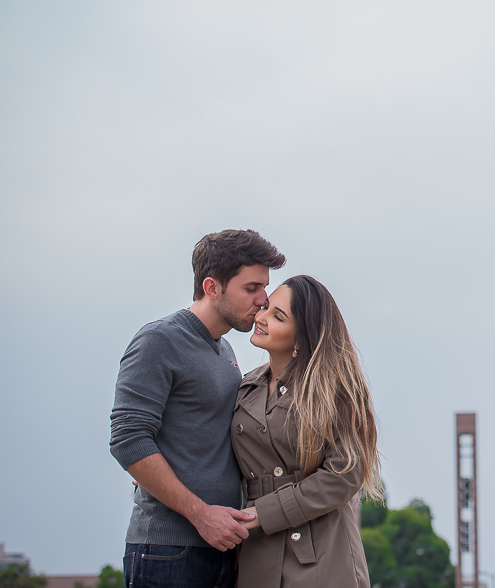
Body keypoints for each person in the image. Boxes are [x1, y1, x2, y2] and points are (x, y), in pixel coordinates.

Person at [110, 229, 287, 588]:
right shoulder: (159, 339)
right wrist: (202, 515)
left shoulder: (226, 352)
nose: (263, 300)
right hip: (168, 552)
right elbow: (127, 439)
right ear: (212, 288)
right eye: (251, 288)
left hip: (222, 547)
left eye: (265, 287)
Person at [232, 274, 381, 586]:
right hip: (257, 553)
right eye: (265, 308)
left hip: (322, 552)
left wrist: (263, 513)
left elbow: (345, 474)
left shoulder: (336, 391)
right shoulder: (244, 388)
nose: (261, 317)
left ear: (301, 337)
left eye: (278, 316)